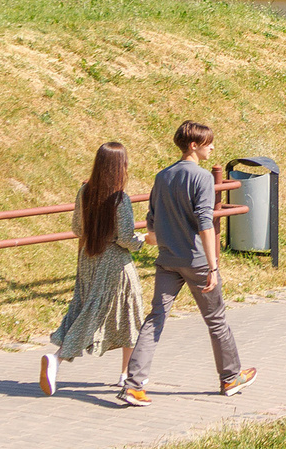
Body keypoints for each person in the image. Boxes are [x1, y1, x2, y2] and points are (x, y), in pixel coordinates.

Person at [122, 121, 253, 405]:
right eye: (209, 143)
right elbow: (206, 224)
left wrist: (167, 236)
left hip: (167, 259)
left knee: (155, 319)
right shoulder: (202, 178)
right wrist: (213, 265)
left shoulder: (162, 176)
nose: (213, 147)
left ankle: (133, 384)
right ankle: (231, 377)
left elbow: (153, 227)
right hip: (196, 262)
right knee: (216, 320)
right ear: (194, 145)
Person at [39, 142, 146, 397]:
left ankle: (122, 374)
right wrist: (143, 239)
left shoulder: (85, 191)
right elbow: (127, 239)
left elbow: (78, 228)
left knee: (85, 310)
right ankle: (61, 360)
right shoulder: (120, 198)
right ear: (120, 166)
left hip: (88, 259)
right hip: (115, 264)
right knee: (130, 314)